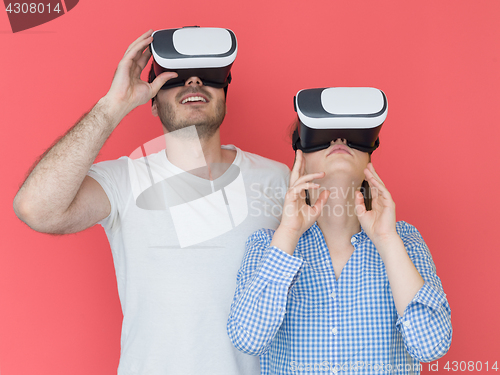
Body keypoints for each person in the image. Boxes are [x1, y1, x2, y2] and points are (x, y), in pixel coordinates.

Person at [13, 29, 289, 375]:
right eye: (174, 78)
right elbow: (36, 208)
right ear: (153, 102)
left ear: (225, 93)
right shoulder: (124, 180)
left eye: (209, 76)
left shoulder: (279, 179)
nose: (193, 82)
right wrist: (113, 105)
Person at [227, 121, 452, 374]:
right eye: (322, 135)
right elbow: (248, 339)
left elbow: (431, 346)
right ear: (300, 156)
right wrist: (289, 233)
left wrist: (387, 240)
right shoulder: (266, 245)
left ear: (369, 156)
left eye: (354, 135)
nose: (339, 141)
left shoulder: (405, 241)